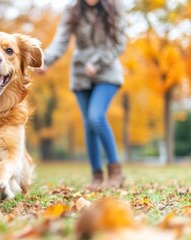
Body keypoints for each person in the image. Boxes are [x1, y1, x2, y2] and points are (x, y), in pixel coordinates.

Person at [38, 0, 126, 190]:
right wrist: (45, 60)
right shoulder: (72, 9)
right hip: (81, 73)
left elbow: (119, 43)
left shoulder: (114, 7)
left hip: (107, 70)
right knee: (88, 125)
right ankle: (96, 175)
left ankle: (115, 171)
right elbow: (61, 40)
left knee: (97, 117)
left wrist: (97, 63)